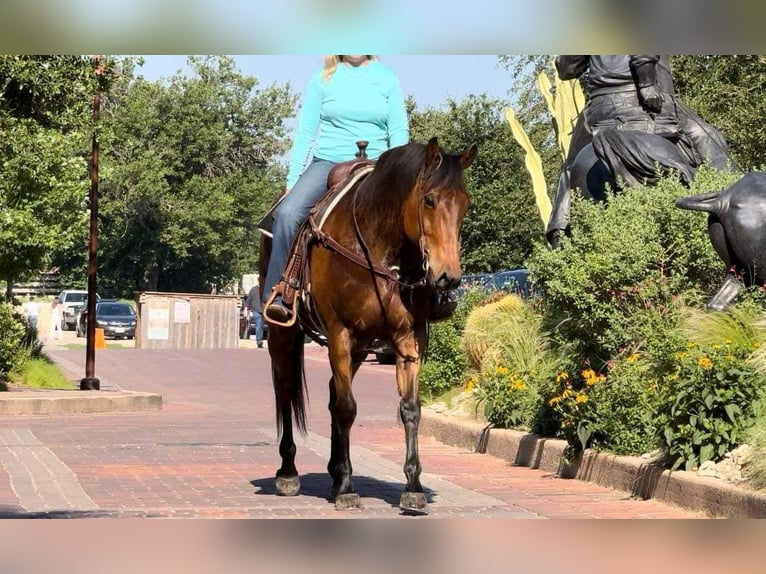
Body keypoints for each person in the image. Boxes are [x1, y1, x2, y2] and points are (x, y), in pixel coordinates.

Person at [262, 55, 410, 322]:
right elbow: (306, 133)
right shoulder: (322, 78)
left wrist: (396, 177)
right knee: (287, 213)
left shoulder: (387, 78)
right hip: (327, 163)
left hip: (377, 166)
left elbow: (398, 131)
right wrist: (292, 181)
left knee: (415, 215)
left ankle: (426, 296)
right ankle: (281, 292)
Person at [546, 54, 737, 248]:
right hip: (641, 101)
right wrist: (646, 83)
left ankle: (559, 230)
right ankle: (736, 207)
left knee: (570, 166)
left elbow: (566, 69)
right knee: (707, 137)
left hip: (599, 110)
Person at [244, 282, 264, 348]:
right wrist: (246, 310)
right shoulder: (253, 289)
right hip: (256, 310)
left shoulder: (266, 289)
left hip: (265, 310)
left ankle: (261, 340)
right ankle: (259, 341)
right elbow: (248, 300)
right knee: (259, 325)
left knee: (262, 326)